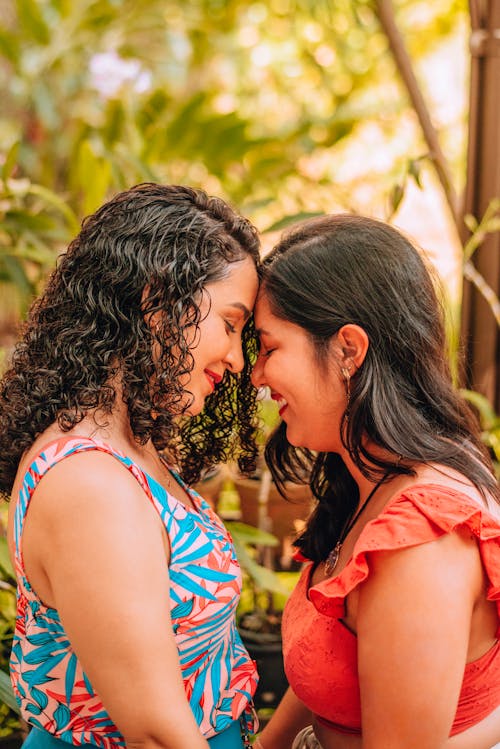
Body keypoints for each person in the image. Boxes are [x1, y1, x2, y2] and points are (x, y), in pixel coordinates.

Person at [0, 183, 262, 749]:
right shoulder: (88, 484)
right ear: (157, 303)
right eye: (231, 325)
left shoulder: (126, 449)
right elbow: (154, 732)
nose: (239, 361)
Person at [250, 214, 500, 749]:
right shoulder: (370, 479)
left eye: (270, 349)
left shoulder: (420, 539)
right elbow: (337, 653)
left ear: (348, 350)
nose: (257, 375)